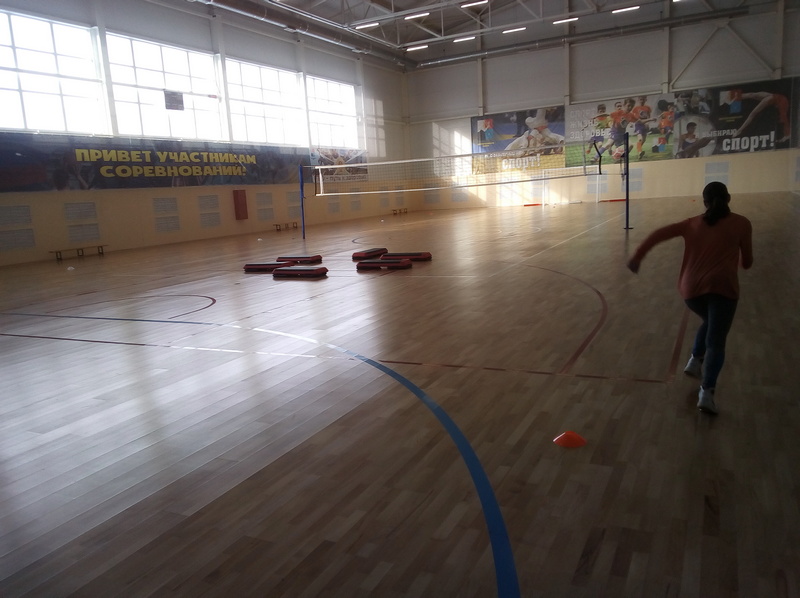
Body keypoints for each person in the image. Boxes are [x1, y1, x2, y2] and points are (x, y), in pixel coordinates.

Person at [626, 182, 753, 414]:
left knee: (711, 322)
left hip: (691, 291)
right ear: (729, 198)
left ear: (704, 202)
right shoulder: (742, 223)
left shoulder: (691, 224)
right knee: (716, 340)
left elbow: (658, 234)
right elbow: (747, 263)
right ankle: (707, 392)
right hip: (724, 289)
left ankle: (695, 360)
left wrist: (637, 257)